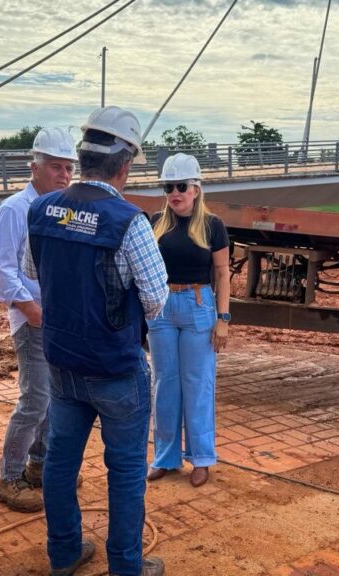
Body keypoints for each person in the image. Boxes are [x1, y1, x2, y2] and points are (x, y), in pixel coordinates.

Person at [26, 106, 168, 576]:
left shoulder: (41, 209)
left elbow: (32, 271)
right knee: (125, 471)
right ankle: (126, 566)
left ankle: (64, 553)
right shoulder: (128, 221)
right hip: (115, 369)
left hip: (62, 364)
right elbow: (156, 300)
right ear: (124, 165)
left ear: (82, 158)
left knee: (59, 462)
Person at [0, 127, 77, 512]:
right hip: (32, 321)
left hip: (59, 320)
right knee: (35, 400)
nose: (64, 174)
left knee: (54, 399)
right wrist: (30, 309)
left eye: (69, 167)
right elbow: (0, 268)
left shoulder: (64, 210)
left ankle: (39, 466)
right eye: (56, 166)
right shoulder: (14, 210)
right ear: (34, 167)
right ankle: (9, 478)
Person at [146, 153, 231, 489]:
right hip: (162, 308)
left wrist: (223, 318)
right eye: (168, 187)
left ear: (196, 189)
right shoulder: (156, 222)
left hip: (198, 305)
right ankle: (166, 457)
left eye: (181, 186)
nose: (174, 193)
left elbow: (222, 273)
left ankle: (201, 458)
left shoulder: (212, 225)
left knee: (198, 384)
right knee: (164, 384)